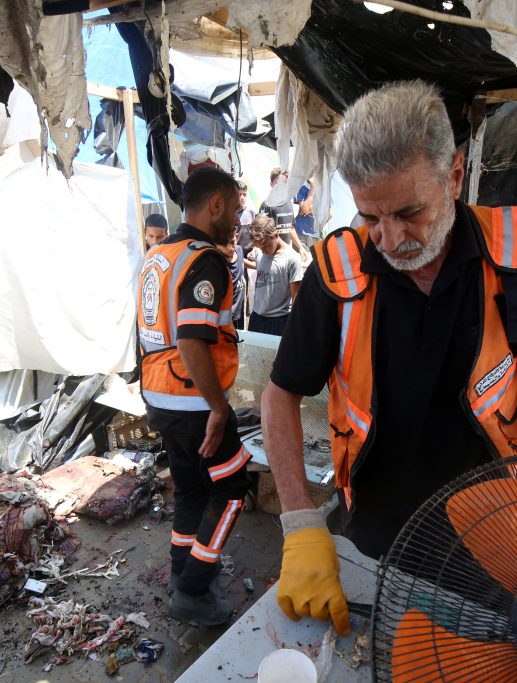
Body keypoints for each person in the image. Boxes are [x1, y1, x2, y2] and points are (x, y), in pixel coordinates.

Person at [260, 80, 517, 635]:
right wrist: (299, 523)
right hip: (374, 524)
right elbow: (281, 395)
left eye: (409, 212)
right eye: (370, 217)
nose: (389, 240)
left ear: (456, 175)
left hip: (498, 518)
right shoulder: (336, 269)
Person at [136, 166, 252, 625]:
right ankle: (193, 589)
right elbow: (190, 339)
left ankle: (181, 571)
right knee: (232, 489)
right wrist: (220, 409)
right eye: (236, 210)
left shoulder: (159, 254)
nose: (238, 220)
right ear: (216, 205)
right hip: (194, 402)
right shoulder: (205, 260)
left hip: (160, 396)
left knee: (189, 489)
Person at [246, 213, 303, 336]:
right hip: (256, 318)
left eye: (266, 246)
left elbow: (296, 300)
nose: (263, 251)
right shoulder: (260, 252)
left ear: (276, 235)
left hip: (279, 322)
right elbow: (266, 268)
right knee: (254, 355)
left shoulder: (292, 259)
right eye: (260, 248)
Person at [260, 167, 310, 261]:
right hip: (272, 256)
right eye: (278, 183)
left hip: (286, 255)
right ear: (271, 184)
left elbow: (289, 227)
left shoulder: (288, 203)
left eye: (284, 183)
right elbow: (261, 232)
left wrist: (300, 248)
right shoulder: (266, 205)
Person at [218, 231, 247, 330]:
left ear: (237, 237)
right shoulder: (217, 261)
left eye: (232, 242)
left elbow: (242, 261)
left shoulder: (239, 250)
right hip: (226, 317)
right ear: (217, 244)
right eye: (225, 244)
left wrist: (257, 266)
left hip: (239, 310)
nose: (230, 247)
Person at [293, 177, 319, 249]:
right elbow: (304, 210)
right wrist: (313, 187)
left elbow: (329, 214)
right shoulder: (302, 187)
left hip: (316, 234)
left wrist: (312, 209)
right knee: (304, 259)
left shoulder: (323, 189)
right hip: (301, 232)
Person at [236, 179, 257, 257]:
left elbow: (257, 234)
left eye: (244, 194)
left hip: (250, 256)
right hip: (236, 256)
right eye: (239, 194)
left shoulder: (251, 212)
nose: (242, 197)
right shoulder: (229, 214)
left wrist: (254, 250)